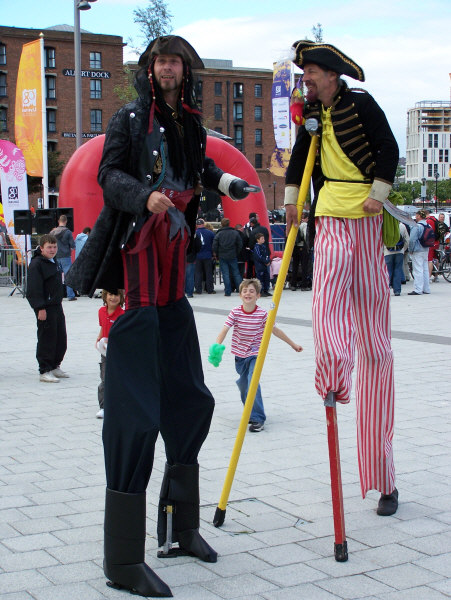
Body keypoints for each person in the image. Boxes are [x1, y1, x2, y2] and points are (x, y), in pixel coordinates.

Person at [66, 35, 253, 598]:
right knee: (136, 413)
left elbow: (199, 172)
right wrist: (144, 197)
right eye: (161, 61)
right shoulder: (127, 118)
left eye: (176, 61)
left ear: (183, 70)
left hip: (175, 264)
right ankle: (122, 561)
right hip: (137, 256)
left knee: (190, 396)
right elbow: (109, 177)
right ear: (151, 69)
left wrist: (231, 184)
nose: (168, 68)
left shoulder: (192, 123)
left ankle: (178, 531)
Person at [284, 40, 399, 516]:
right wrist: (292, 199)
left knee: (375, 343)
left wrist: (379, 193)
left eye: (311, 71)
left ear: (332, 74)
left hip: (369, 219)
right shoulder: (310, 113)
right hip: (330, 216)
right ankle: (333, 370)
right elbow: (298, 163)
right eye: (304, 71)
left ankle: (383, 477)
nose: (306, 77)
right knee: (326, 301)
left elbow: (389, 149)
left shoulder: (362, 105)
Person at [214, 278, 302, 432]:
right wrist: (217, 346)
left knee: (252, 383)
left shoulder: (263, 314)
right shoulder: (235, 312)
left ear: (258, 296)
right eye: (245, 291)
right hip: (239, 356)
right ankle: (250, 410)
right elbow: (224, 329)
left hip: (256, 354)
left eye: (252, 291)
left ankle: (258, 418)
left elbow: (275, 330)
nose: (248, 293)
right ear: (240, 295)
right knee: (243, 386)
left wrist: (293, 344)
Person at [26, 234, 68, 383]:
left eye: (54, 247)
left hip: (57, 305)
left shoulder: (54, 261)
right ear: (42, 248)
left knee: (60, 337)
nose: (52, 250)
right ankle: (45, 370)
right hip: (45, 307)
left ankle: (55, 365)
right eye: (49, 247)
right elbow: (33, 289)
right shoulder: (37, 264)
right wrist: (40, 308)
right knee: (47, 338)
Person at [95, 289, 125, 419]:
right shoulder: (101, 311)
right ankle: (104, 407)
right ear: (105, 296)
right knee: (105, 379)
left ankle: (121, 405)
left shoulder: (123, 315)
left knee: (120, 379)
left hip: (119, 352)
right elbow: (103, 327)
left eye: (116, 295)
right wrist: (98, 339)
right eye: (110, 295)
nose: (113, 298)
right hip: (105, 352)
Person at [212, 217, 243, 296]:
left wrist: (217, 253)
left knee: (225, 274)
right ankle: (241, 290)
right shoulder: (235, 233)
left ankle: (227, 291)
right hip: (233, 254)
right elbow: (240, 244)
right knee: (236, 273)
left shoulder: (219, 233)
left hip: (222, 255)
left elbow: (214, 245)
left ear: (222, 224)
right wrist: (236, 252)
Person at [50, 214, 76, 301]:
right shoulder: (68, 232)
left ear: (58, 221)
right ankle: (70, 295)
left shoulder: (53, 232)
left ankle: (57, 295)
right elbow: (72, 245)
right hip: (66, 256)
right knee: (68, 276)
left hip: (55, 256)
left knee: (56, 276)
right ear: (66, 221)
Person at [408, 210, 431, 295]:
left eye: (416, 215)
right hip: (426, 249)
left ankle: (418, 289)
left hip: (417, 250)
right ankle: (426, 288)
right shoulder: (428, 225)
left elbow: (412, 240)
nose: (415, 217)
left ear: (419, 216)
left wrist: (411, 250)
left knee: (418, 270)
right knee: (425, 269)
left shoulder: (417, 226)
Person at [384, 222, 409, 296]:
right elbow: (407, 239)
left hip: (388, 251)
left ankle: (386, 289)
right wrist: (403, 249)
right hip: (399, 251)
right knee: (398, 269)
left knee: (388, 271)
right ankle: (397, 290)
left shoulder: (386, 225)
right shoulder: (402, 226)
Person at [194, 218, 215, 294]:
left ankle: (198, 289)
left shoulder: (195, 233)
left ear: (197, 225)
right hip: (208, 255)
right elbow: (214, 244)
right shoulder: (210, 233)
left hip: (198, 255)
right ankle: (210, 289)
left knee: (198, 273)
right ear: (203, 224)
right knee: (209, 273)